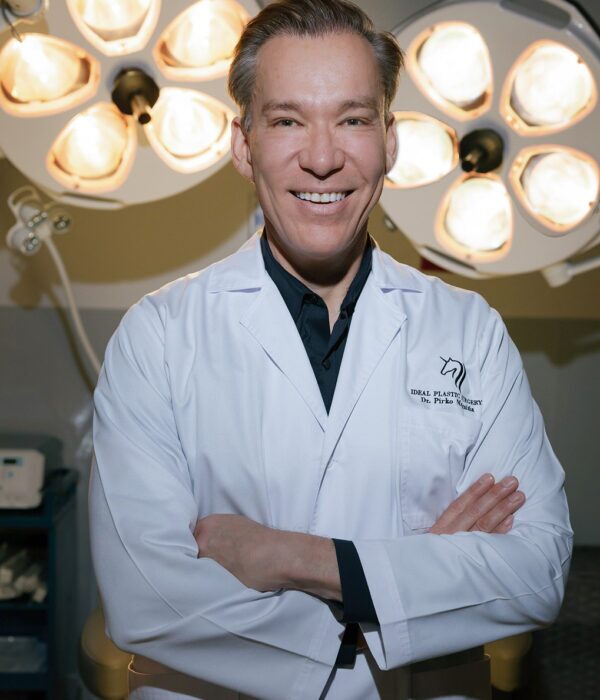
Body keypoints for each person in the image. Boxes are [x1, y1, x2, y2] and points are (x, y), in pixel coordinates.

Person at [89, 1, 573, 698]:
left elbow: (536, 573)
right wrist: (409, 584)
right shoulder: (159, 337)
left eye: (353, 120)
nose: (322, 158)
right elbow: (147, 599)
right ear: (243, 145)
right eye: (287, 121)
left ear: (392, 142)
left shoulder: (469, 331)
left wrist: (292, 557)